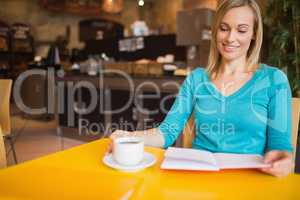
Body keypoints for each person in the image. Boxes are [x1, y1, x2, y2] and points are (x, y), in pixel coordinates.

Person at [108, 0, 293, 177]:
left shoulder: (273, 79)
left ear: (254, 33)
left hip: (249, 180)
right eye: (224, 28)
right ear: (215, 31)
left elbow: (279, 145)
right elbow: (166, 133)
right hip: (201, 176)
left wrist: (282, 160)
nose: (230, 38)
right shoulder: (197, 79)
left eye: (241, 30)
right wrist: (129, 136)